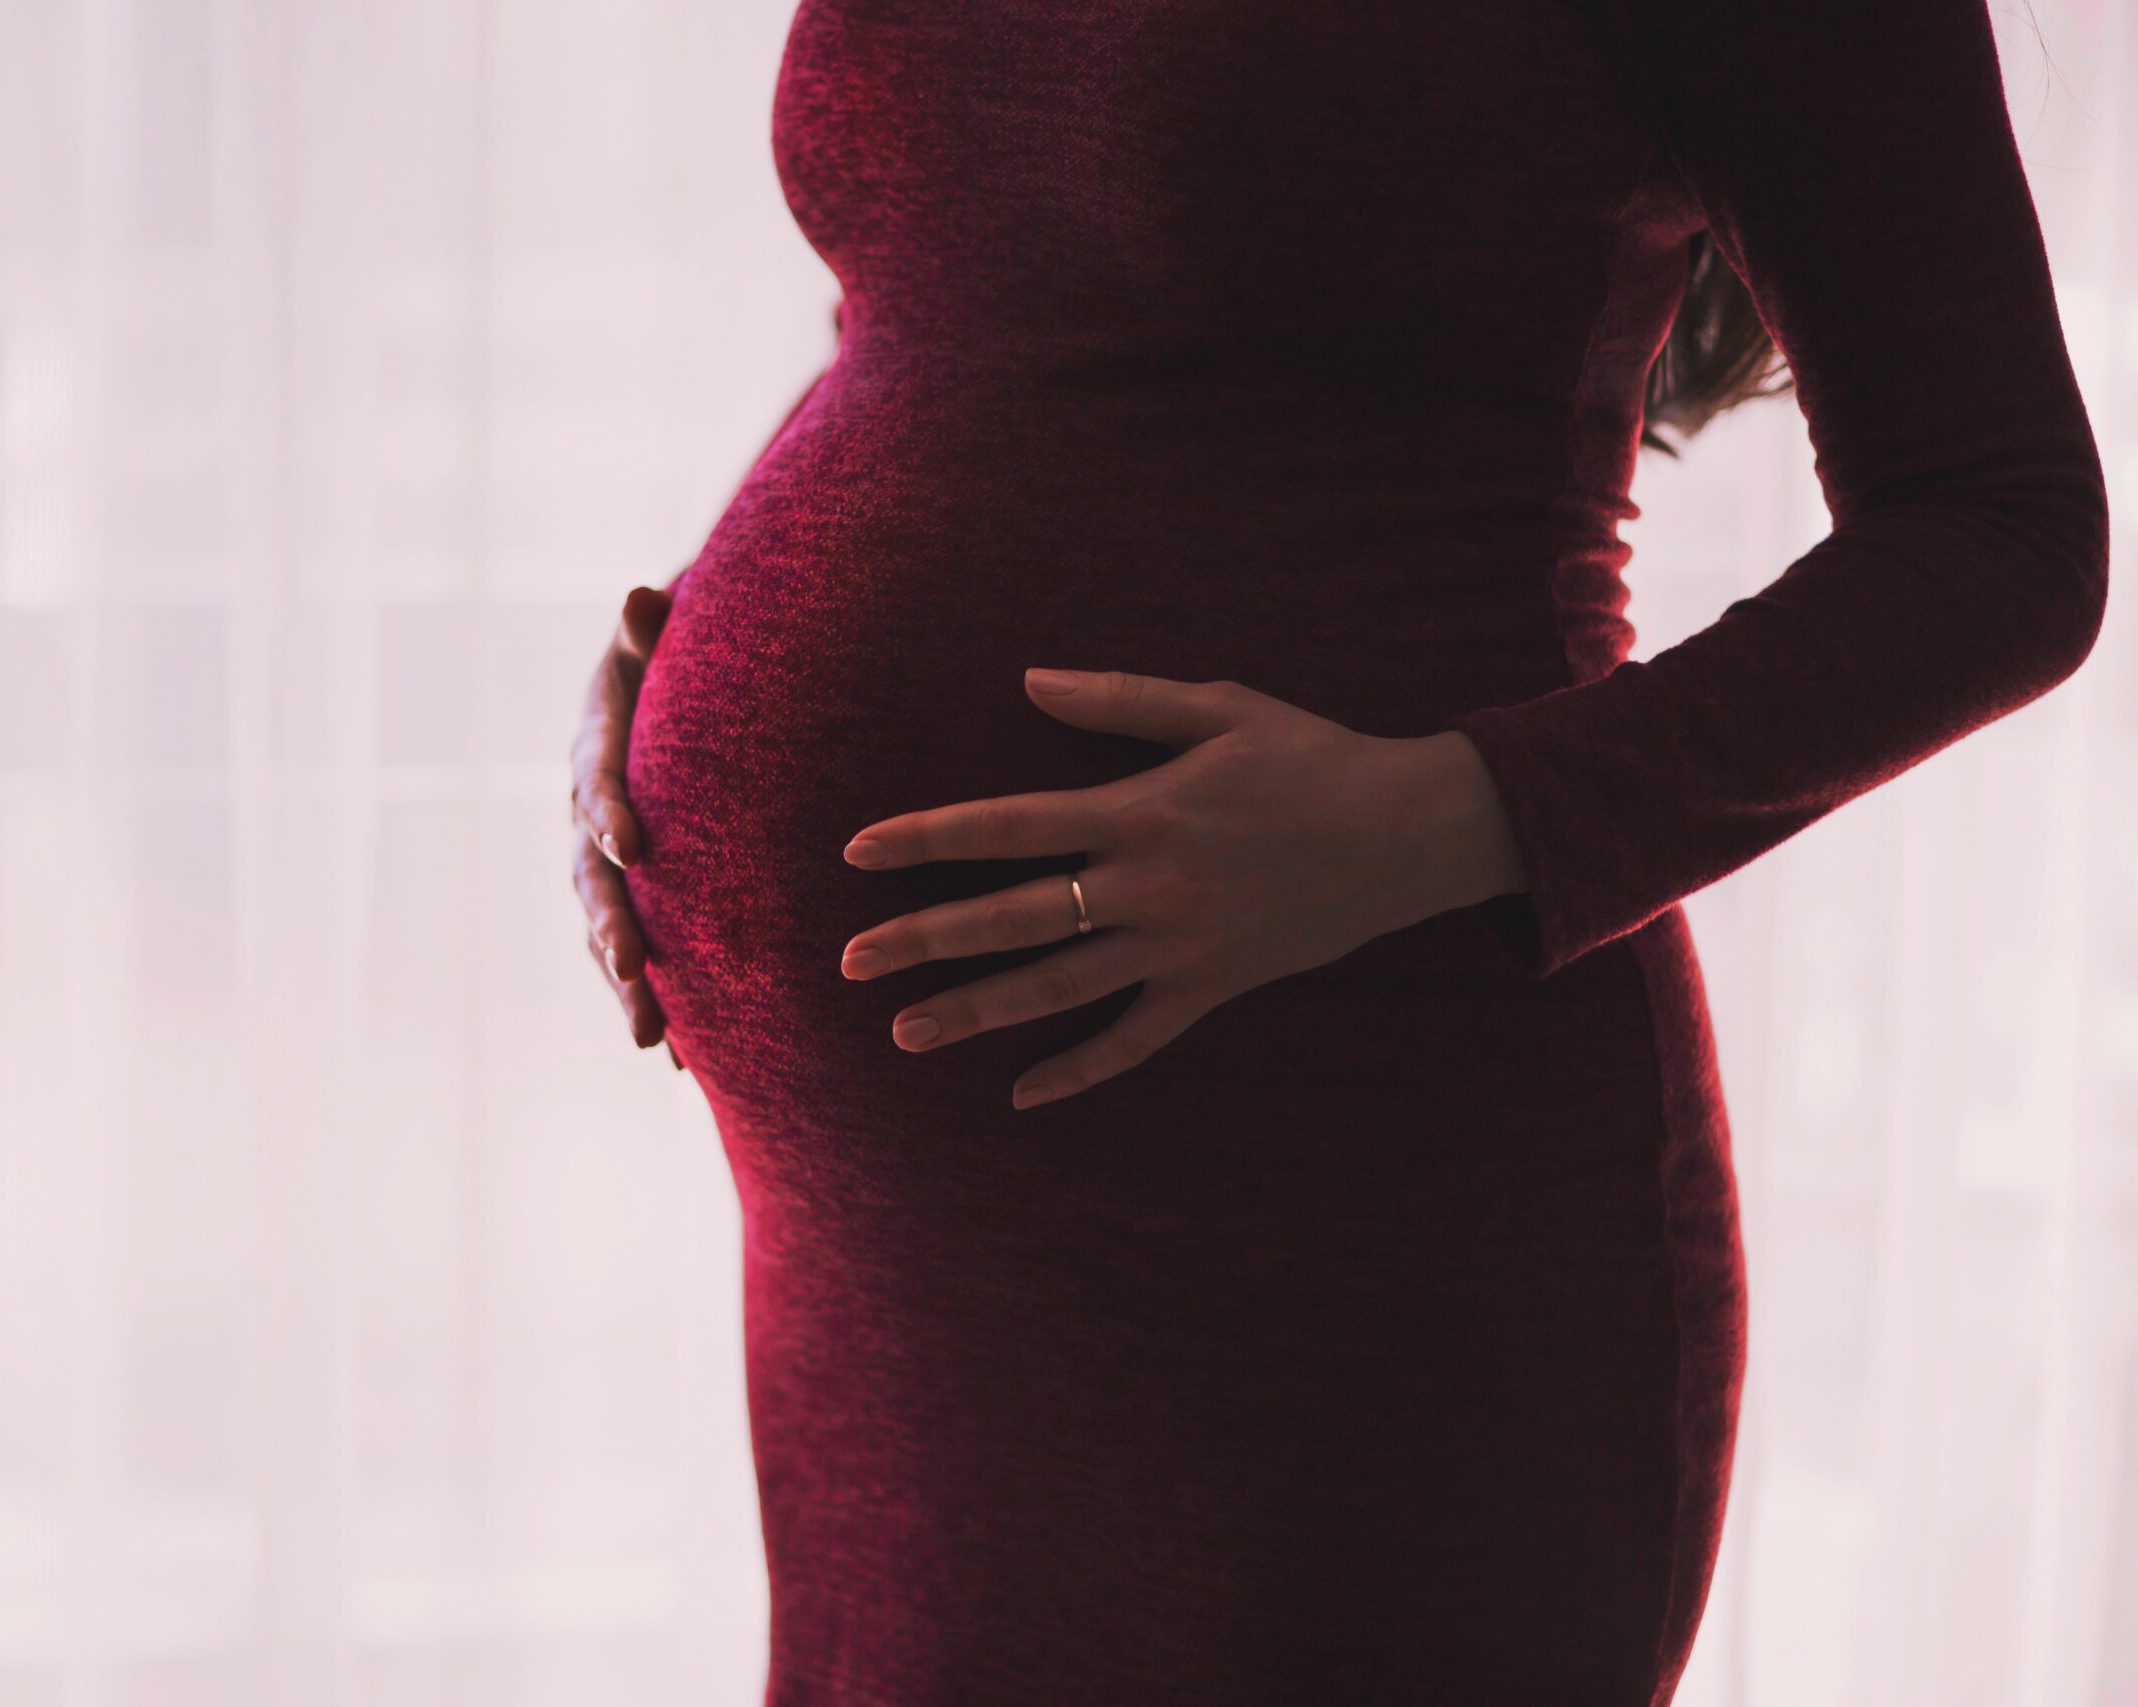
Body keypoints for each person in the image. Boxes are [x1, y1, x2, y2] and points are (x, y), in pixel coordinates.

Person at [567, 0, 2108, 1698]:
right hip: (890, 1285)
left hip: (1340, 1213)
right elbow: (977, 313)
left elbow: (2005, 534)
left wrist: (1436, 818)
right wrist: (684, 671)